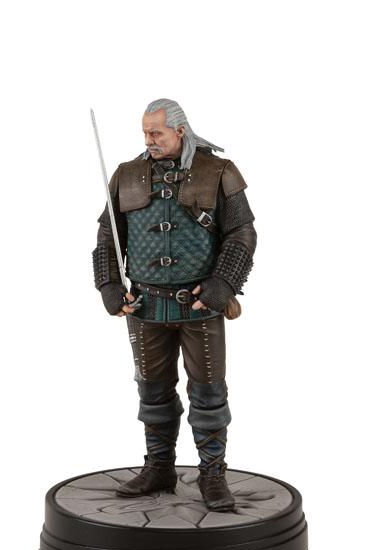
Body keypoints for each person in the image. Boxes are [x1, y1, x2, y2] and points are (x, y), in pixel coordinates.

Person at [91, 99, 257, 511]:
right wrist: (110, 286)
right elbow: (108, 237)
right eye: (145, 132)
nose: (148, 140)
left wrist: (222, 284)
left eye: (156, 133)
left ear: (180, 131)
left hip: (199, 306)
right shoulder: (127, 175)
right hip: (145, 307)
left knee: (209, 394)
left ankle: (212, 474)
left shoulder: (218, 172)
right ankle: (159, 467)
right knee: (152, 393)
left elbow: (242, 233)